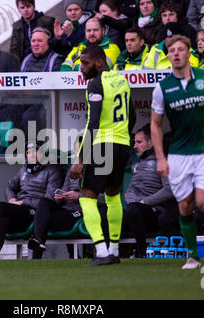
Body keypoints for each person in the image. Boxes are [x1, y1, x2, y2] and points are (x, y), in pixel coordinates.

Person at [150, 35, 204, 269]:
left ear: (188, 53)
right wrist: (160, 158)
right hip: (178, 154)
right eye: (171, 51)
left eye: (180, 50)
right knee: (184, 205)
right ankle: (193, 255)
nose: (175, 53)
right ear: (168, 56)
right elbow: (155, 124)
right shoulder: (162, 88)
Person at [69, 45, 135, 266]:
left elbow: (93, 122)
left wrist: (80, 159)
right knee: (113, 196)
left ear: (99, 62)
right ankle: (114, 250)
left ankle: (101, 251)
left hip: (103, 145)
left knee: (86, 196)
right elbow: (132, 115)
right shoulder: (122, 80)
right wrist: (124, 137)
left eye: (85, 63)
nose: (81, 67)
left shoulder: (95, 84)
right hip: (123, 144)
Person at [123, 125, 178, 258]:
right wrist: (133, 200)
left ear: (151, 142)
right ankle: (113, 255)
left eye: (139, 142)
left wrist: (144, 202)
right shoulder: (137, 164)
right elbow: (129, 190)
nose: (135, 146)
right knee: (108, 215)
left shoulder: (164, 161)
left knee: (134, 210)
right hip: (136, 211)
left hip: (155, 213)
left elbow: (169, 190)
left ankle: (141, 252)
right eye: (135, 142)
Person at [27, 137, 85, 259]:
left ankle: (36, 256)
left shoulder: (96, 169)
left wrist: (78, 196)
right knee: (44, 204)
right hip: (65, 209)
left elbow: (103, 198)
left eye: (82, 149)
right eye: (77, 150)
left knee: (43, 221)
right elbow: (63, 189)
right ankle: (37, 242)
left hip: (80, 211)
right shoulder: (72, 169)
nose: (78, 153)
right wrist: (60, 197)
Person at [19, 27, 63, 137]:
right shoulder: (26, 59)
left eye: (40, 41)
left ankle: (35, 147)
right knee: (8, 114)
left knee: (29, 116)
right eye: (33, 41)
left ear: (48, 42)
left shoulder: (56, 60)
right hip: (24, 101)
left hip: (46, 104)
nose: (35, 44)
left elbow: (55, 87)